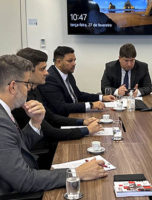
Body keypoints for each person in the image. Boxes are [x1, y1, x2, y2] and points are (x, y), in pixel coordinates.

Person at [0, 55, 107, 195]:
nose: (29, 89)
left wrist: (35, 122)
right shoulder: (1, 122)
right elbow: (24, 181)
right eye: (26, 84)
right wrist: (76, 172)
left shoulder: (5, 112)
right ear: (13, 87)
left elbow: (19, 146)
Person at [13, 48, 103, 169]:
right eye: (42, 69)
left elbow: (52, 116)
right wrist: (86, 130)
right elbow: (50, 131)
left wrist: (83, 122)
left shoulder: (35, 90)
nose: (47, 72)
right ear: (28, 72)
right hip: (40, 151)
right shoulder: (22, 98)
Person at [38, 46, 115, 116]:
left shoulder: (68, 73)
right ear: (58, 62)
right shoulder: (50, 78)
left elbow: (78, 95)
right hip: (64, 119)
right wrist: (91, 105)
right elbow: (61, 107)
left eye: (74, 60)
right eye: (70, 61)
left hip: (75, 113)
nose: (74, 63)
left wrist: (102, 97)